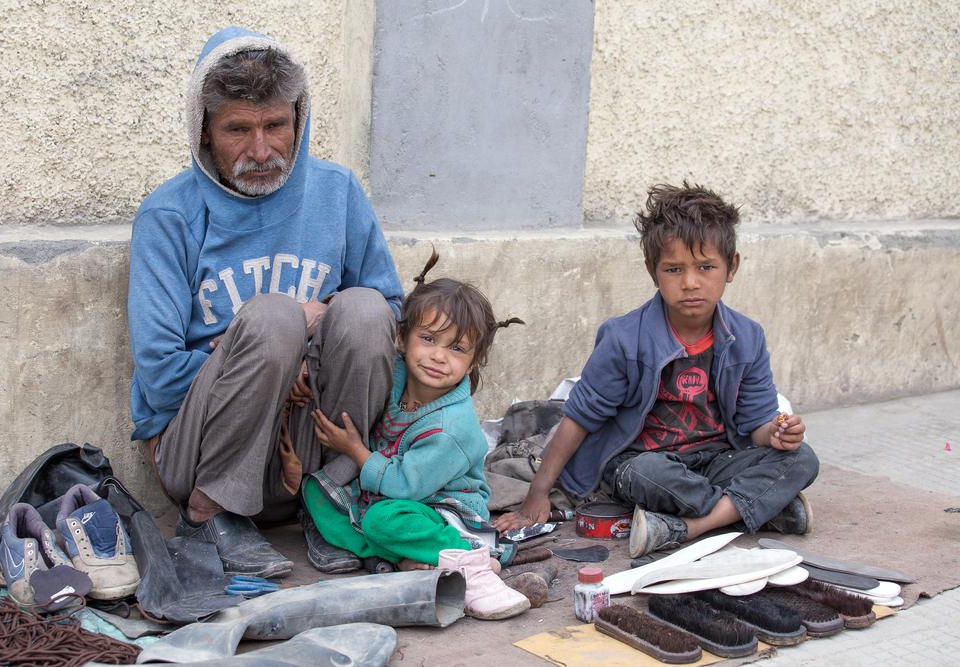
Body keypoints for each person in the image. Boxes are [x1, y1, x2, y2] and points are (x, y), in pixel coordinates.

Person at [127, 26, 404, 578]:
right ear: (204, 132)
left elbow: (391, 309)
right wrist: (265, 346)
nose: (261, 149)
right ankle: (210, 515)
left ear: (297, 121)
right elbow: (158, 374)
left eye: (276, 125)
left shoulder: (337, 192)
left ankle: (332, 503)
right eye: (237, 129)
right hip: (202, 451)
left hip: (311, 445)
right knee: (275, 315)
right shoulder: (169, 216)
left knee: (366, 308)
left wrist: (308, 341)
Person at [493, 183, 820, 558]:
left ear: (732, 266)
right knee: (648, 474)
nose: (690, 282)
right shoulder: (624, 339)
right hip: (641, 466)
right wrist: (537, 493)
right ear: (653, 272)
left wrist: (777, 434)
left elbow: (756, 425)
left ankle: (692, 525)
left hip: (716, 462)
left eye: (706, 267)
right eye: (674, 269)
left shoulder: (746, 337)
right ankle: (753, 508)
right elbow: (578, 419)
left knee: (802, 458)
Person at [297, 251, 531, 620]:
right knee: (317, 491)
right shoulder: (394, 378)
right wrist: (305, 369)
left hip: (443, 511)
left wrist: (356, 451)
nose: (439, 356)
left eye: (457, 348)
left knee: (383, 520)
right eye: (428, 339)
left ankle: (472, 560)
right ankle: (402, 556)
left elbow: (406, 485)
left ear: (474, 361)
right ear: (402, 340)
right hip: (389, 496)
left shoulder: (452, 425)